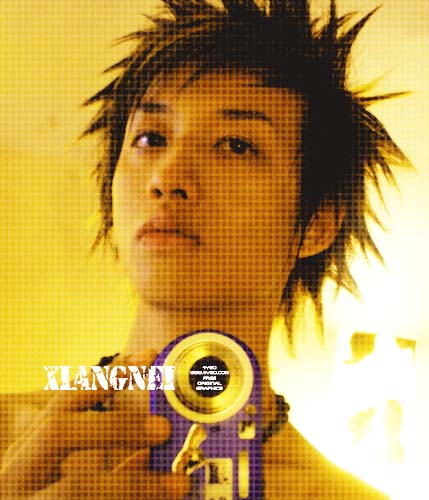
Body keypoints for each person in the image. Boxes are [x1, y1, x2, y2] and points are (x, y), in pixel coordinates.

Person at [0, 0, 410, 498]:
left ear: (317, 222)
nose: (167, 176)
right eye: (150, 138)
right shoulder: (6, 437)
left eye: (236, 145)